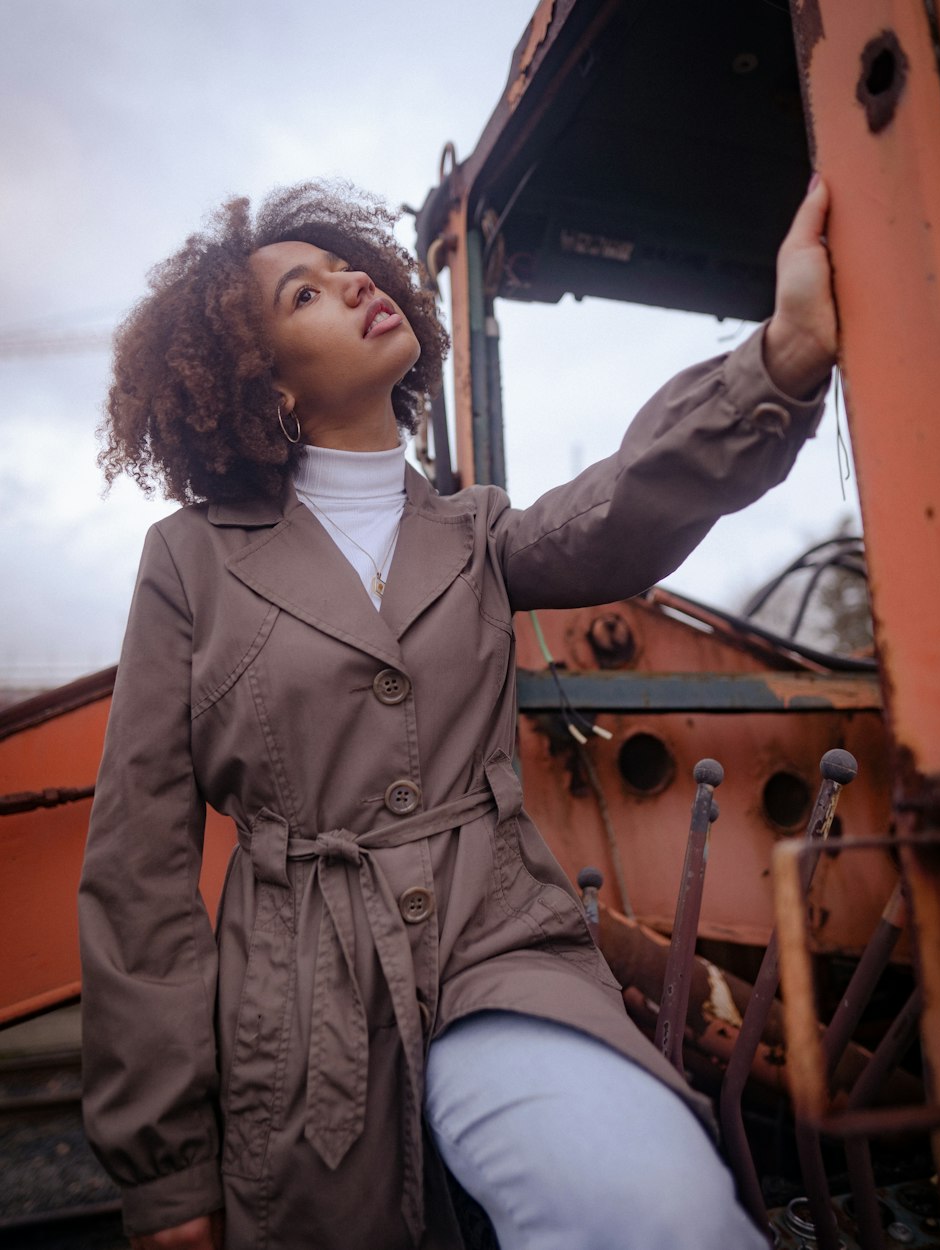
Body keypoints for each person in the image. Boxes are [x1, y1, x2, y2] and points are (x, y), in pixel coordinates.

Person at [79, 175, 837, 1250]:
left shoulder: (478, 533)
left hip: (498, 944)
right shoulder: (189, 562)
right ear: (266, 385)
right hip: (301, 1009)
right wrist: (163, 1168)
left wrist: (782, 358)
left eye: (350, 268)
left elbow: (622, 501)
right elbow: (137, 868)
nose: (355, 283)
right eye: (305, 294)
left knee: (653, 1210)